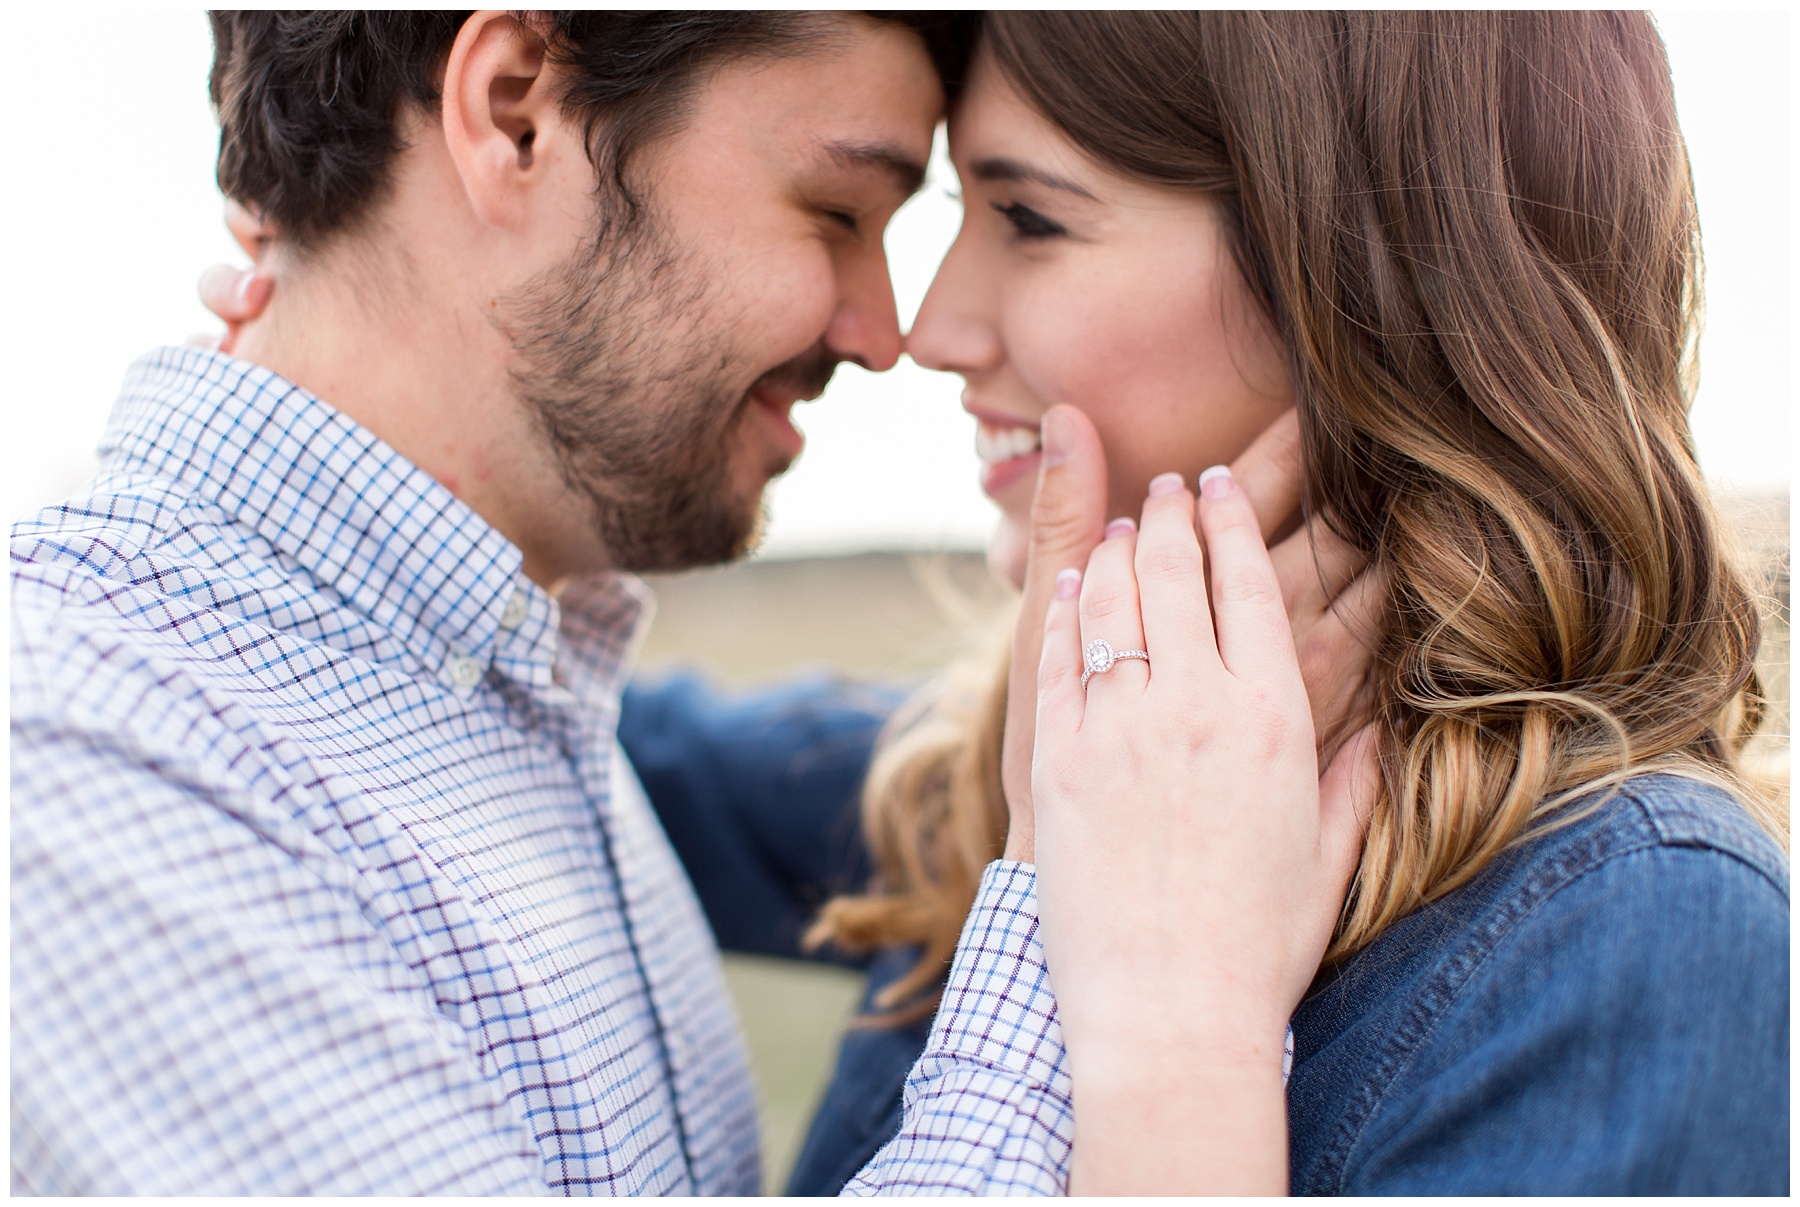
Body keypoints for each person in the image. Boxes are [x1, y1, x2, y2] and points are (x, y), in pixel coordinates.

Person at [588, 9, 1791, 1196]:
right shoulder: (1003, 768)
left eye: (1030, 218)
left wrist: (1176, 1050)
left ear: (1367, 291)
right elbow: (595, 736)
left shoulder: (1636, 931)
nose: (929, 329)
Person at [8, 11, 1179, 1194]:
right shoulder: (81, 763)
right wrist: (1082, 918)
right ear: (515, 110)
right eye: (834, 211)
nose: (885, 335)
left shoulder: (500, 675)